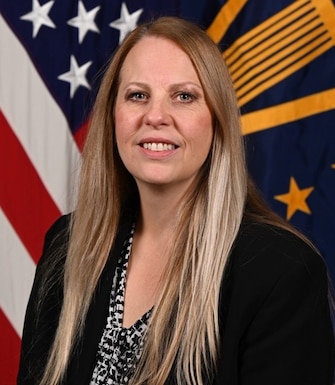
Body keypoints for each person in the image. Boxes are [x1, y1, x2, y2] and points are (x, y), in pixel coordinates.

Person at [17, 16, 334, 385]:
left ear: (217, 122)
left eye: (184, 96)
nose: (155, 116)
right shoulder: (68, 244)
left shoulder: (282, 270)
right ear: (112, 117)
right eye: (138, 95)